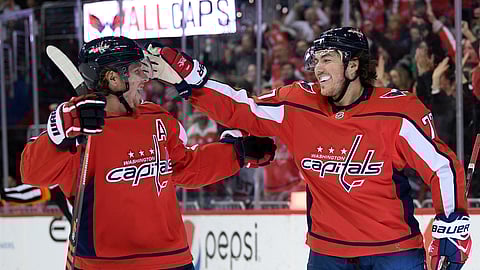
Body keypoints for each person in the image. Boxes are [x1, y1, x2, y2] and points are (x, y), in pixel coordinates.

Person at [145, 27, 472, 269]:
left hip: (394, 252)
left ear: (354, 66)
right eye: (316, 61)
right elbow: (243, 109)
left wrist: (452, 224)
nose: (317, 68)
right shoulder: (299, 104)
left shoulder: (397, 112)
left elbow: (441, 166)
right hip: (327, 253)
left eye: (327, 60)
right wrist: (192, 82)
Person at [20, 36, 276, 270]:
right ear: (113, 78)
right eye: (136, 71)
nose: (145, 78)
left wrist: (236, 154)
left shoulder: (157, 118)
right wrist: (58, 134)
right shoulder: (78, 130)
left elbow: (185, 168)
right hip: (106, 264)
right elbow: (32, 173)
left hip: (172, 258)